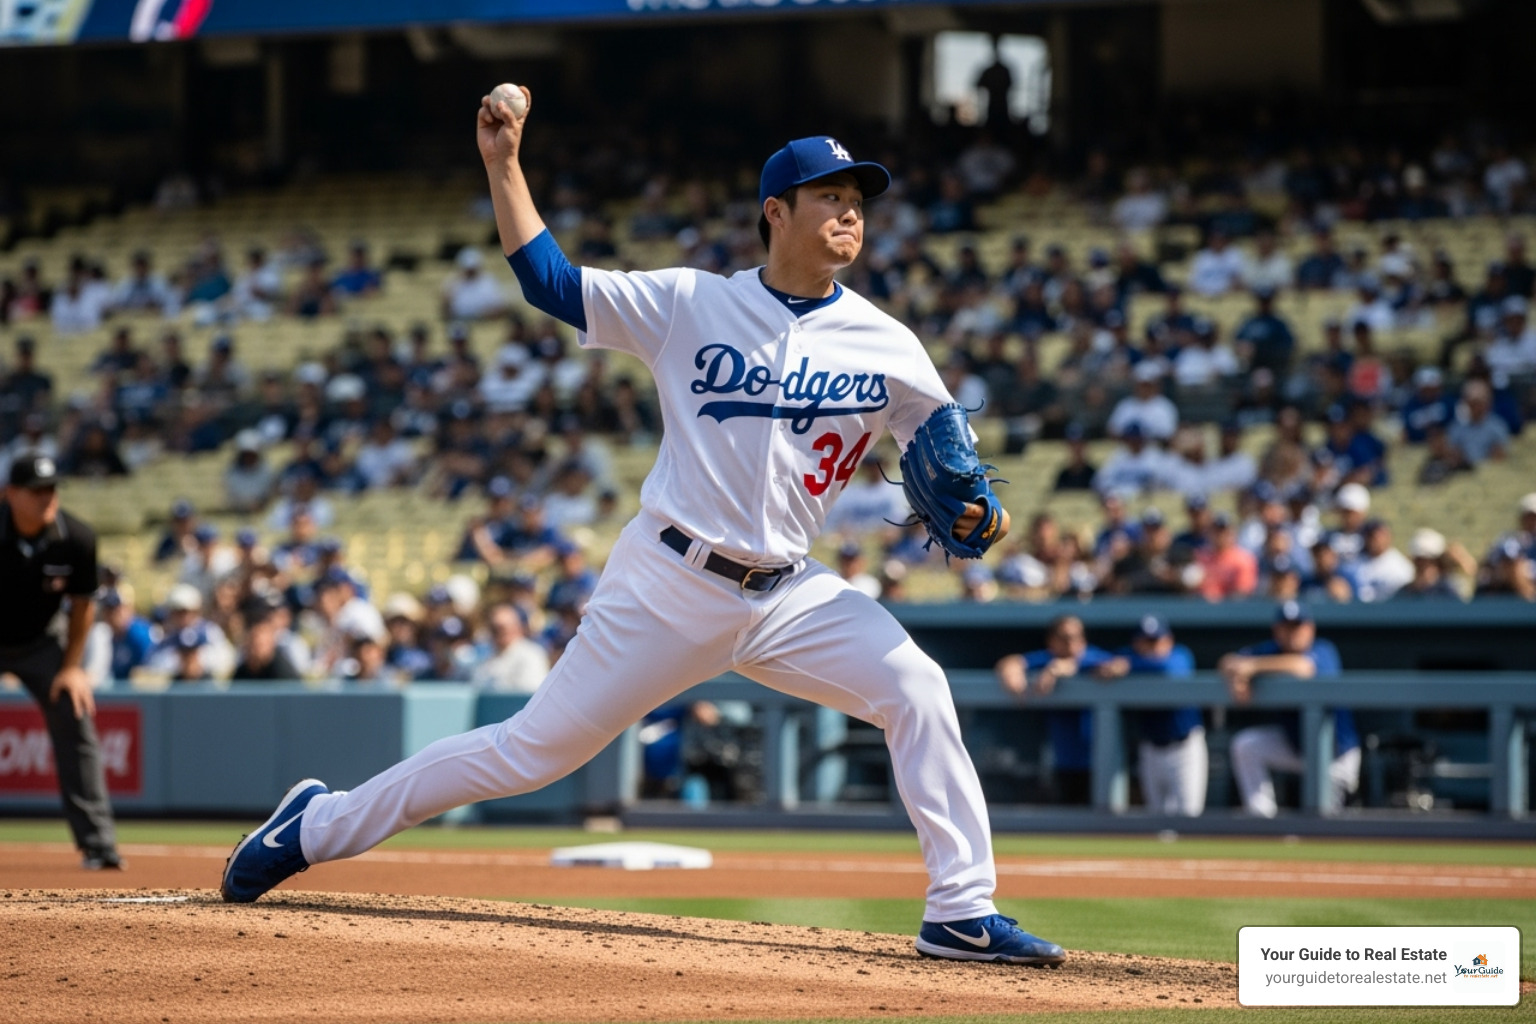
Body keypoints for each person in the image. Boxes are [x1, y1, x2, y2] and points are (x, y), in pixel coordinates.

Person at [220, 93, 1062, 967]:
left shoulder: (888, 343)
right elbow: (549, 281)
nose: (850, 210)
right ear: (775, 213)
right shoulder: (689, 303)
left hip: (789, 594)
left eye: (858, 198)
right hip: (667, 583)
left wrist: (980, 513)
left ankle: (960, 910)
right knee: (527, 754)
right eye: (829, 195)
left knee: (916, 689)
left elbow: (949, 455)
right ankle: (316, 824)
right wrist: (504, 163)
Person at [0, 455, 122, 869]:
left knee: (75, 710)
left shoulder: (78, 537)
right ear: (9, 494)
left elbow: (83, 606)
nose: (46, 497)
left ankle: (98, 844)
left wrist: (72, 667)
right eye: (35, 490)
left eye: (51, 488)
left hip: (41, 644)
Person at [1222, 601, 1359, 817]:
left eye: (1298, 626)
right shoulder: (1270, 651)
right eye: (1286, 627)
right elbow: (1229, 660)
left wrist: (1253, 667)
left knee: (1324, 826)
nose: (1292, 633)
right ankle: (1262, 820)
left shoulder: (1323, 650)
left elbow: (1302, 667)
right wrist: (1237, 677)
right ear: (1276, 630)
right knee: (1246, 745)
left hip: (1334, 755)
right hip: (1296, 745)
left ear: (1310, 628)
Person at [994, 614, 1117, 806]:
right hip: (1063, 759)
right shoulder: (1047, 659)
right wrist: (1012, 673)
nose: (1071, 643)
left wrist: (1063, 668)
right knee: (1067, 821)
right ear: (1052, 640)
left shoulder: (1091, 658)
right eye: (1064, 637)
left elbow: (1120, 665)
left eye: (1076, 637)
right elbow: (1011, 662)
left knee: (1102, 822)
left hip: (1099, 760)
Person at [1108, 616, 1205, 817]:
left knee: (1189, 815)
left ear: (1169, 640)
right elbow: (1100, 661)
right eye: (1147, 642)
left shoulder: (1180, 655)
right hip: (1151, 747)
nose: (1154, 647)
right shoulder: (1125, 657)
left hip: (1184, 746)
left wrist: (1130, 666)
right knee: (1156, 819)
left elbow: (1169, 669)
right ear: (1136, 643)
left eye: (1158, 640)